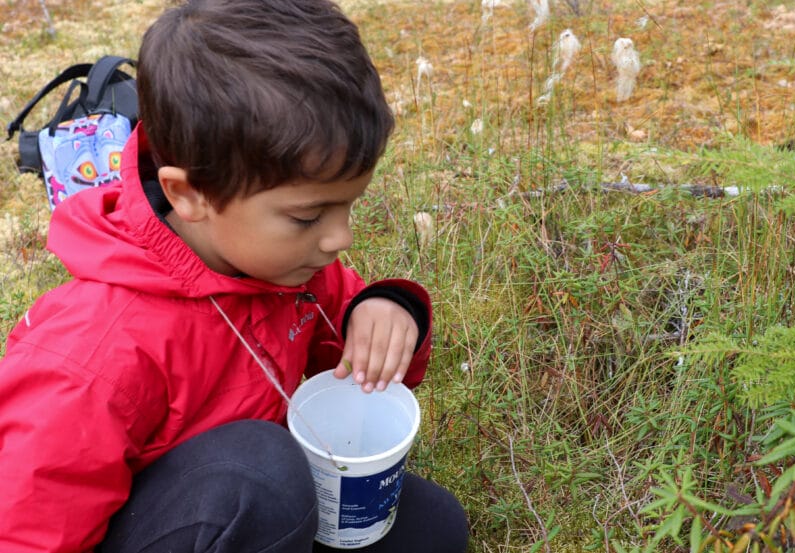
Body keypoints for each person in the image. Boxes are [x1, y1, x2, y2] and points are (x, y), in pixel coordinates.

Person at [0, 1, 469, 552]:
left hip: (260, 517)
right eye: (308, 215)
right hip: (197, 516)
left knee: (431, 526)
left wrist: (385, 310)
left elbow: (349, 375)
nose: (340, 237)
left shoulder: (283, 264)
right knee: (262, 476)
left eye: (349, 206)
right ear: (188, 194)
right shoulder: (92, 355)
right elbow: (26, 529)